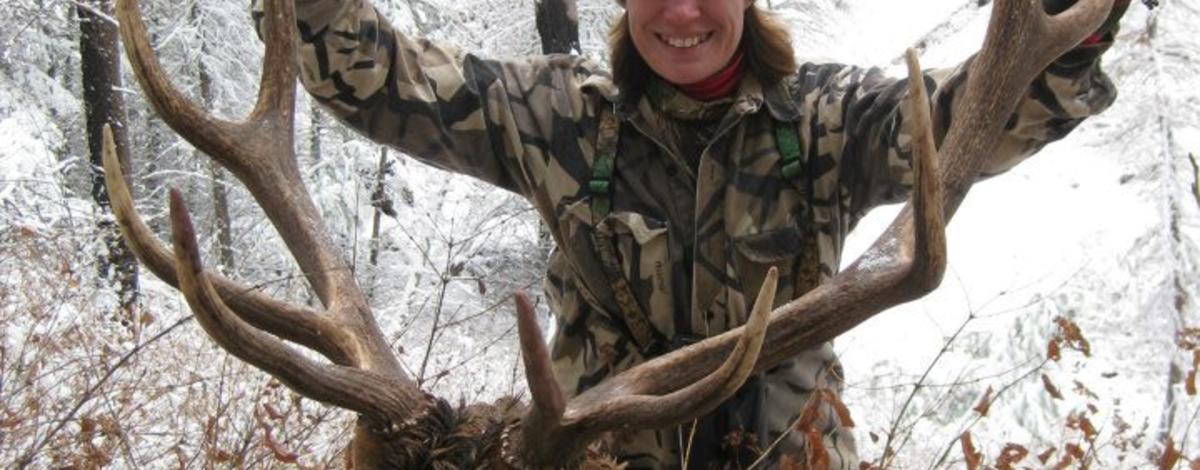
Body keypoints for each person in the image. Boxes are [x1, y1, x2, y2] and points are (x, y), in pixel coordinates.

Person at [257, 0, 1127, 467]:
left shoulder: (829, 119)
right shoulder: (555, 117)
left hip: (790, 460)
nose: (682, 12)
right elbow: (385, 83)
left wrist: (1074, 22)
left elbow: (975, 111)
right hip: (591, 464)